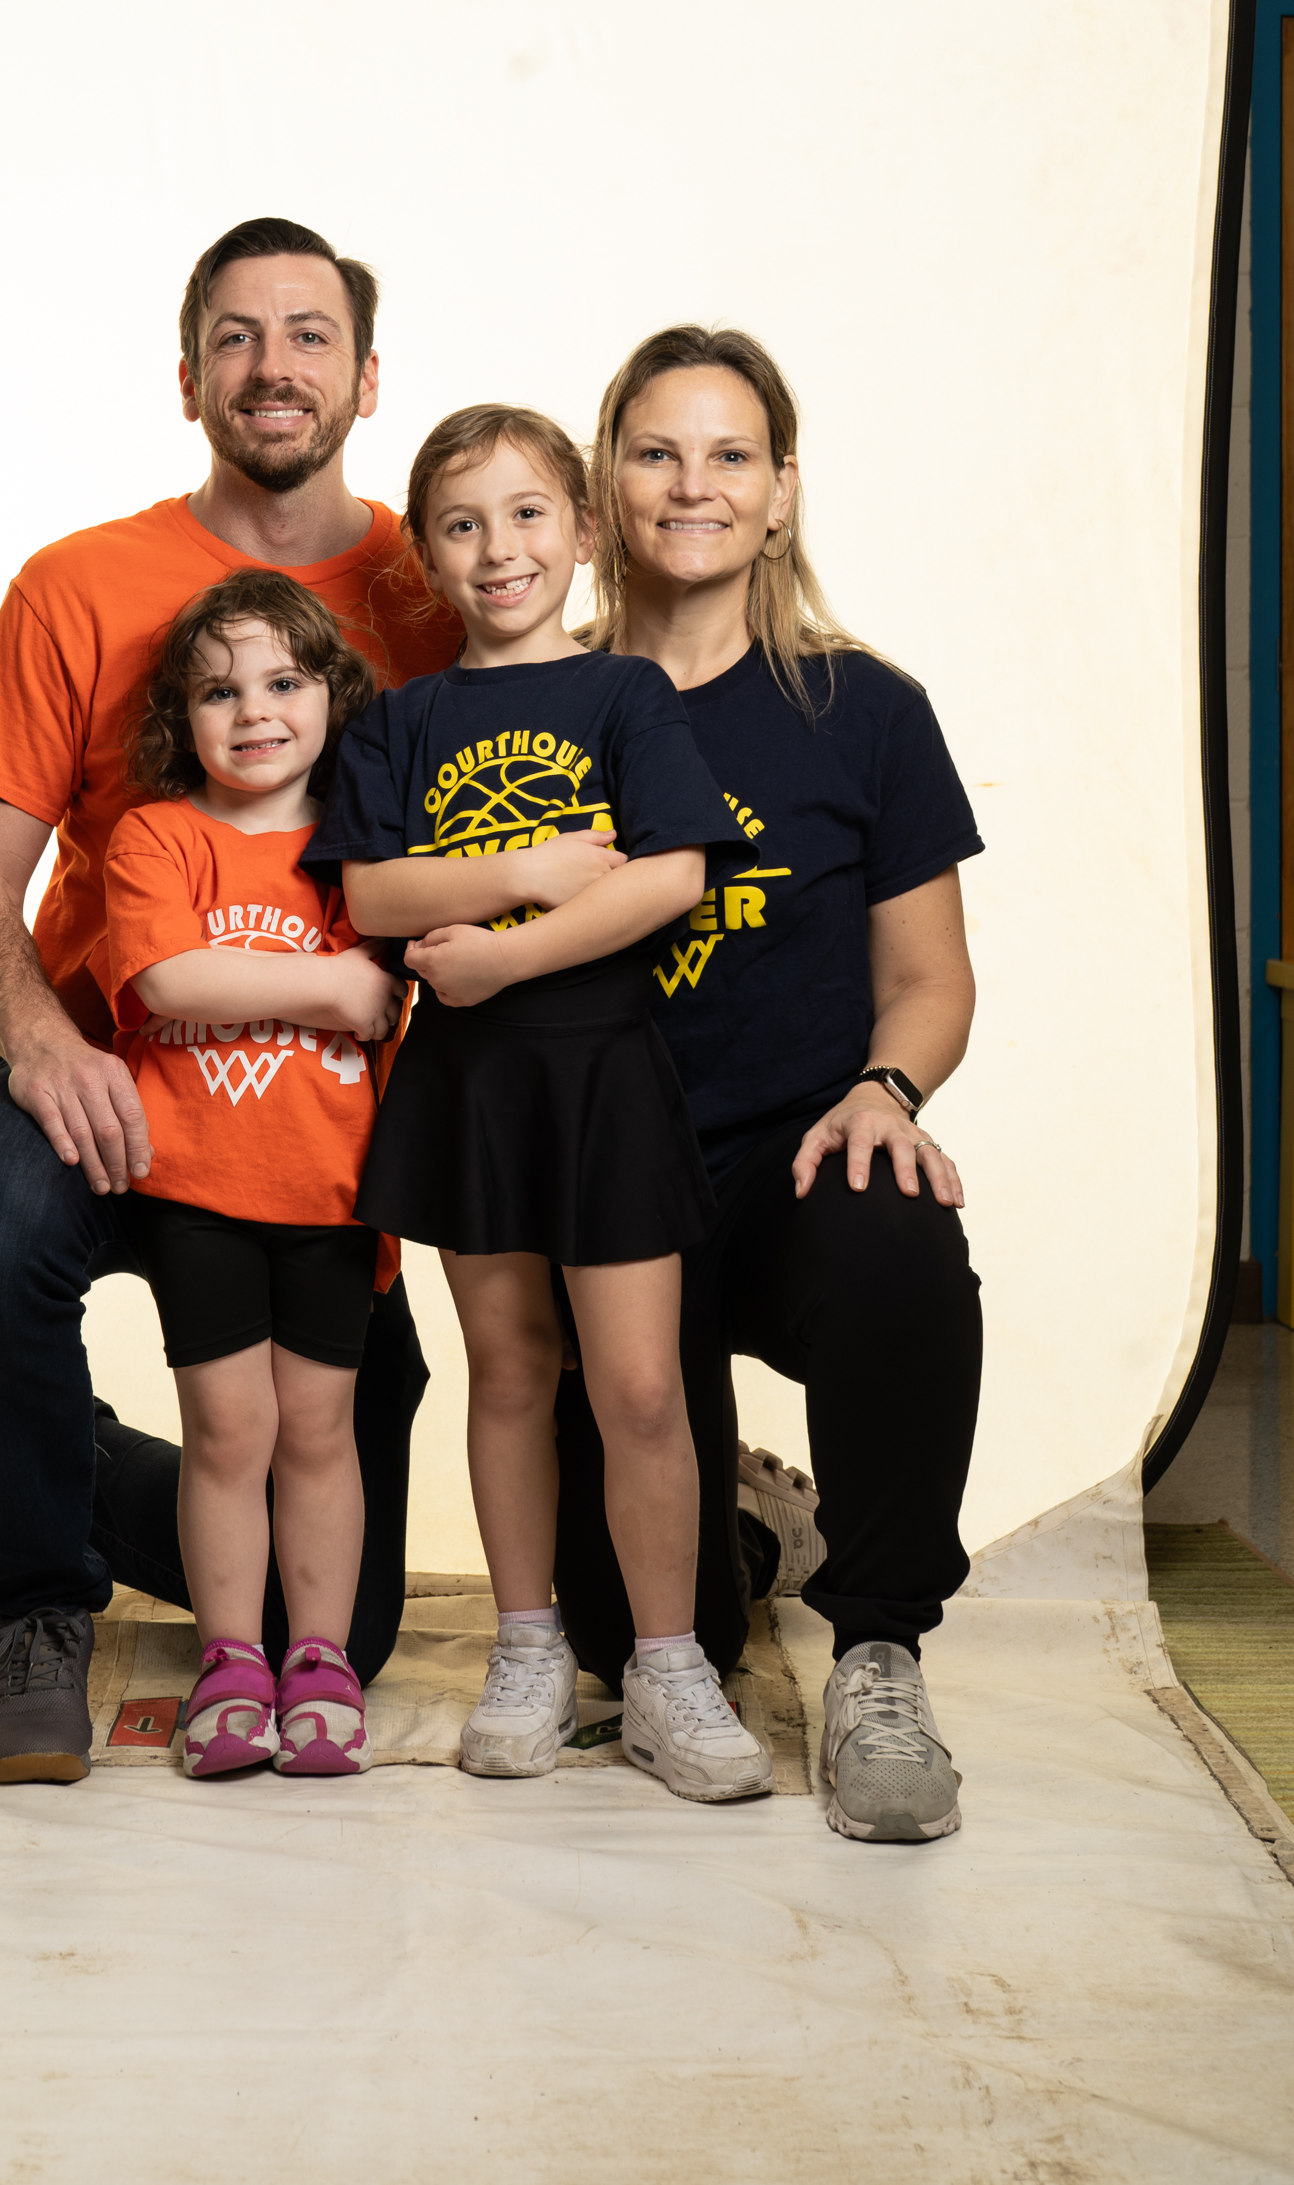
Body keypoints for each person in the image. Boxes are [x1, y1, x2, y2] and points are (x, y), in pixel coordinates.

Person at [0, 216, 459, 1787]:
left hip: (324, 1125)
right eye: (236, 335)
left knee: (336, 1625)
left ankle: (48, 1471)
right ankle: (35, 1600)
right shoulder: (79, 584)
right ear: (187, 377)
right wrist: (42, 1043)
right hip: (112, 1073)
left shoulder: (437, 593)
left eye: (308, 334)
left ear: (367, 377)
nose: (272, 366)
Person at [554, 325, 984, 1845]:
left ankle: (878, 1648)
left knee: (900, 1232)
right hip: (606, 1190)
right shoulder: (536, 701)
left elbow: (930, 979)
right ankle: (742, 1531)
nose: (695, 485)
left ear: (782, 489)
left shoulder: (865, 710)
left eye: (730, 454)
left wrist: (884, 1089)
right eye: (657, 452)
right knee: (624, 1632)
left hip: (794, 1166)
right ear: (606, 483)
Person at [306, 405, 770, 1803]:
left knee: (639, 1385)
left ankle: (668, 1667)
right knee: (507, 1370)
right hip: (474, 1088)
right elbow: (371, 892)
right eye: (461, 523)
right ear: (426, 555)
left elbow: (672, 876)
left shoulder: (626, 696)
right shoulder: (404, 719)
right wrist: (536, 866)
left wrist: (504, 953)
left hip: (604, 1076)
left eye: (524, 514)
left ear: (579, 530)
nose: (497, 547)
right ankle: (526, 1645)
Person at [106, 571, 402, 1778]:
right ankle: (230, 1658)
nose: (254, 711)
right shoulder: (156, 836)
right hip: (199, 1192)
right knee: (229, 1430)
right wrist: (329, 982)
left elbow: (392, 997)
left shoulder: (361, 846)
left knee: (319, 1431)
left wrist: (341, 987)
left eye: (283, 681)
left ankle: (319, 1660)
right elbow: (169, 979)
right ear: (181, 718)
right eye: (218, 691)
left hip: (332, 1193)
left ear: (333, 695)